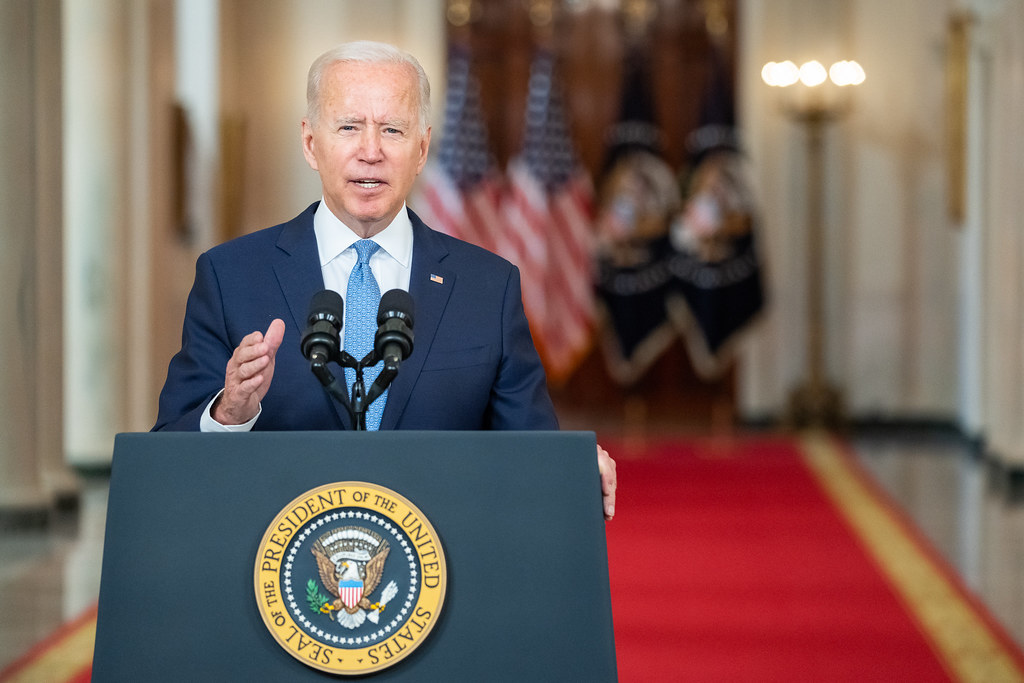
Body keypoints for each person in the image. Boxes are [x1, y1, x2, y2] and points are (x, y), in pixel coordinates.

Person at [153, 40, 615, 519]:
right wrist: (228, 414)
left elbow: (531, 450)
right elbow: (165, 459)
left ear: (421, 149)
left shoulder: (488, 288)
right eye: (349, 127)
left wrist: (570, 468)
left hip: (440, 570)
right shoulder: (231, 276)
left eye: (392, 130)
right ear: (311, 143)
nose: (370, 151)